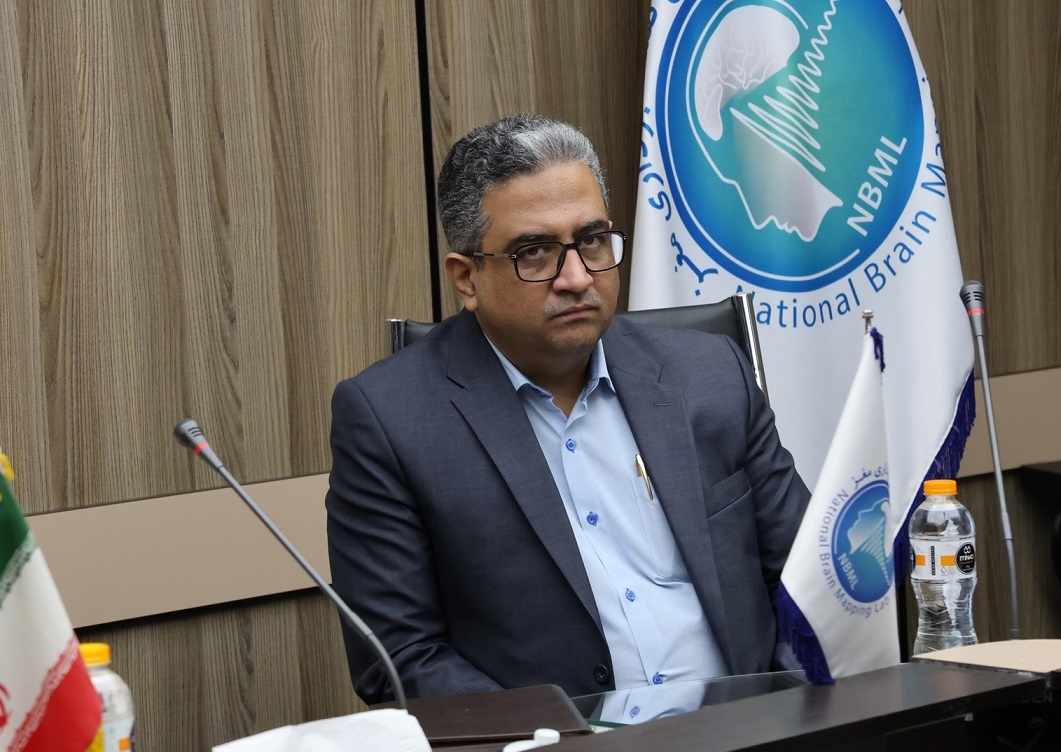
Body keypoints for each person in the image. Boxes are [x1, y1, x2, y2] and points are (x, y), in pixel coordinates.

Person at [326, 115, 811, 703]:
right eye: (534, 252)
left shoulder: (711, 373)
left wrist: (785, 715)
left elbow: (808, 577)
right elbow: (400, 659)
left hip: (751, 733)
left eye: (593, 240)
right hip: (557, 748)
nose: (577, 277)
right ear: (466, 277)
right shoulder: (389, 421)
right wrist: (558, 741)